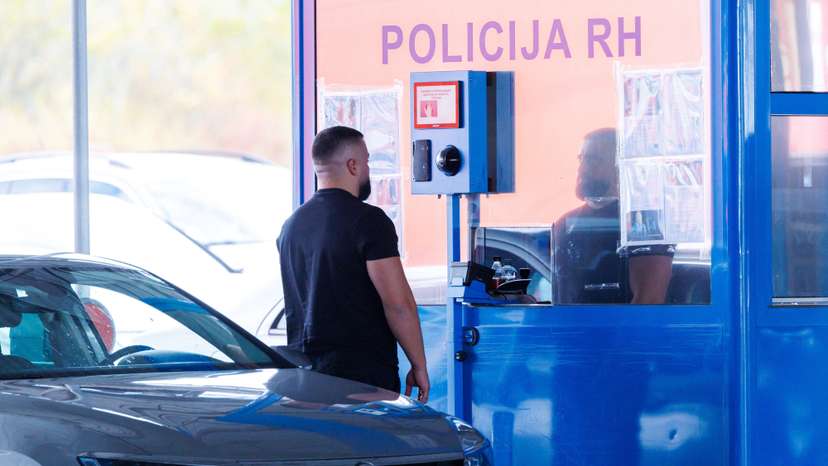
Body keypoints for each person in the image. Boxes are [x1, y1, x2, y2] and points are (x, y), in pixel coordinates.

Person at [277, 125, 430, 402]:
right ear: (353, 165)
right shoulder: (369, 222)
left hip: (305, 380)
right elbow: (398, 305)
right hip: (361, 381)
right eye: (367, 161)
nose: (368, 169)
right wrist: (418, 364)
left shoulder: (291, 226)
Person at [553, 127, 674, 304]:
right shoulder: (567, 222)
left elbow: (649, 300)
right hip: (572, 327)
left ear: (619, 167)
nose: (582, 169)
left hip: (617, 327)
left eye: (593, 161)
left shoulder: (644, 224)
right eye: (582, 159)